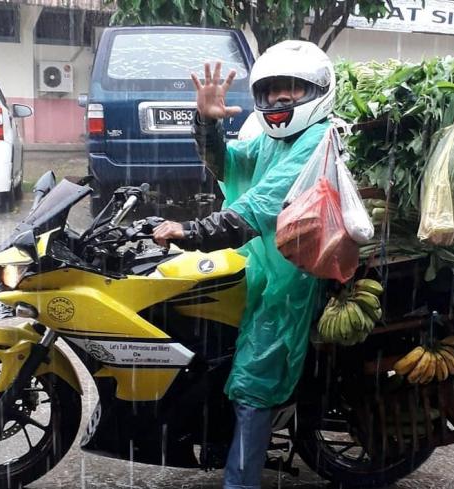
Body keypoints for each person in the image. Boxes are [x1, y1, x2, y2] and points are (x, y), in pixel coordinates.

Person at [153, 40, 336, 489]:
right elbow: (230, 164)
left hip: (293, 277)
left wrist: (194, 232)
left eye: (291, 90)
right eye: (271, 91)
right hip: (263, 262)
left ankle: (242, 481)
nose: (279, 101)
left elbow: (263, 202)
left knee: (256, 374)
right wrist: (207, 125)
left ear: (317, 92)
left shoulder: (318, 138)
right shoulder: (278, 137)